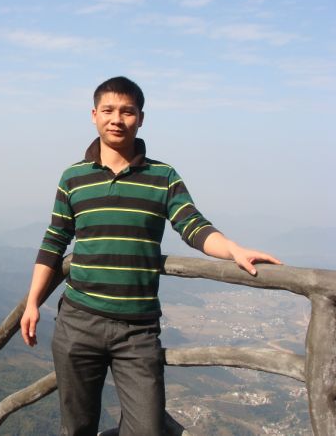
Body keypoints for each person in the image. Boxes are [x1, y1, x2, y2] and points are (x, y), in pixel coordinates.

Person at [20, 76, 281, 436]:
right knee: (77, 427)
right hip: (78, 322)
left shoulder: (163, 177)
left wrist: (232, 248)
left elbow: (192, 226)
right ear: (94, 115)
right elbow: (54, 241)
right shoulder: (73, 178)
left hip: (137, 329)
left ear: (141, 119)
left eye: (127, 111)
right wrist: (32, 302)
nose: (117, 119)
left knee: (147, 429)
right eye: (108, 110)